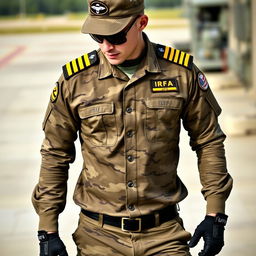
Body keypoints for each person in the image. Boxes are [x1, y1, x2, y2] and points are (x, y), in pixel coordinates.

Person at [32, 0, 233, 255]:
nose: (107, 46)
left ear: (141, 23)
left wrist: (215, 213)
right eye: (98, 36)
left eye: (116, 36)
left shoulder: (181, 74)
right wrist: (47, 229)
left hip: (164, 234)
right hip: (98, 237)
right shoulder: (75, 81)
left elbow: (208, 141)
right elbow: (55, 153)